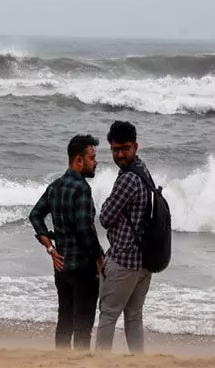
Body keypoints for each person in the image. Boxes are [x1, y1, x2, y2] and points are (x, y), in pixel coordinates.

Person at [29, 134, 104, 350]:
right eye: (92, 158)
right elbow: (84, 230)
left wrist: (50, 248)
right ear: (78, 160)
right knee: (83, 327)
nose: (95, 162)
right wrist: (99, 259)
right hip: (83, 269)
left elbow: (35, 215)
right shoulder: (81, 188)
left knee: (64, 321)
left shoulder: (55, 187)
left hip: (61, 267)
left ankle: (60, 361)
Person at [96, 121, 153, 353]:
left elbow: (105, 217)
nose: (119, 154)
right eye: (115, 150)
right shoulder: (143, 170)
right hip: (145, 261)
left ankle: (99, 362)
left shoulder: (128, 178)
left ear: (135, 146)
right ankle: (138, 361)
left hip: (124, 261)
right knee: (134, 316)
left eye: (124, 149)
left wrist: (110, 208)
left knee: (108, 314)